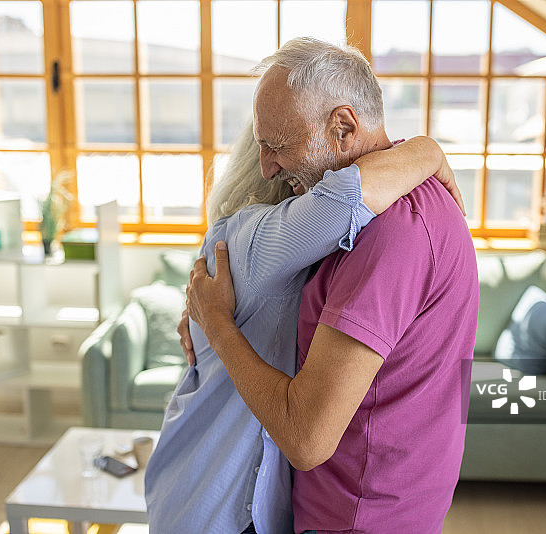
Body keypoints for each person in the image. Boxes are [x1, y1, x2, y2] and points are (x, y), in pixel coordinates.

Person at [144, 53, 463, 534]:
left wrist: (427, 151)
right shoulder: (252, 239)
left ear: (343, 125)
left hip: (322, 512)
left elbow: (343, 201)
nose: (270, 168)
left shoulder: (388, 226)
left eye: (279, 146)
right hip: (206, 501)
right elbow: (342, 202)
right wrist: (427, 152)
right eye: (263, 148)